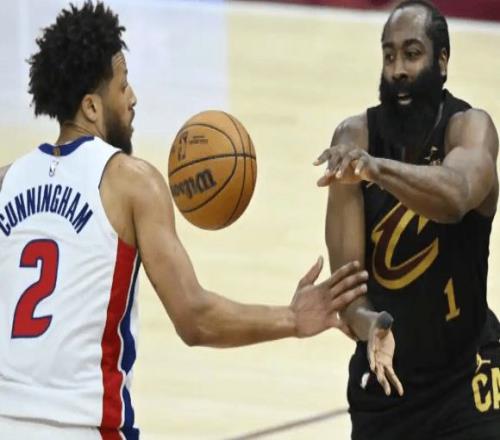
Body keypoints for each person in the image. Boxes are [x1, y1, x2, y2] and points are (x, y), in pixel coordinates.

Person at [0, 2, 370, 439]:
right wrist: (292, 318)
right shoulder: (131, 182)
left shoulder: (6, 182)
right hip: (83, 426)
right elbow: (195, 319)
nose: (133, 98)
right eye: (123, 86)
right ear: (92, 107)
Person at [314, 1, 500, 439]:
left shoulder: (469, 129)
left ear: (442, 61)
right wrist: (372, 325)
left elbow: (456, 196)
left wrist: (376, 169)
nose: (397, 69)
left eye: (412, 54)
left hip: (467, 372)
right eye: (389, 55)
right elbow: (349, 292)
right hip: (387, 376)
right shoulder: (354, 137)